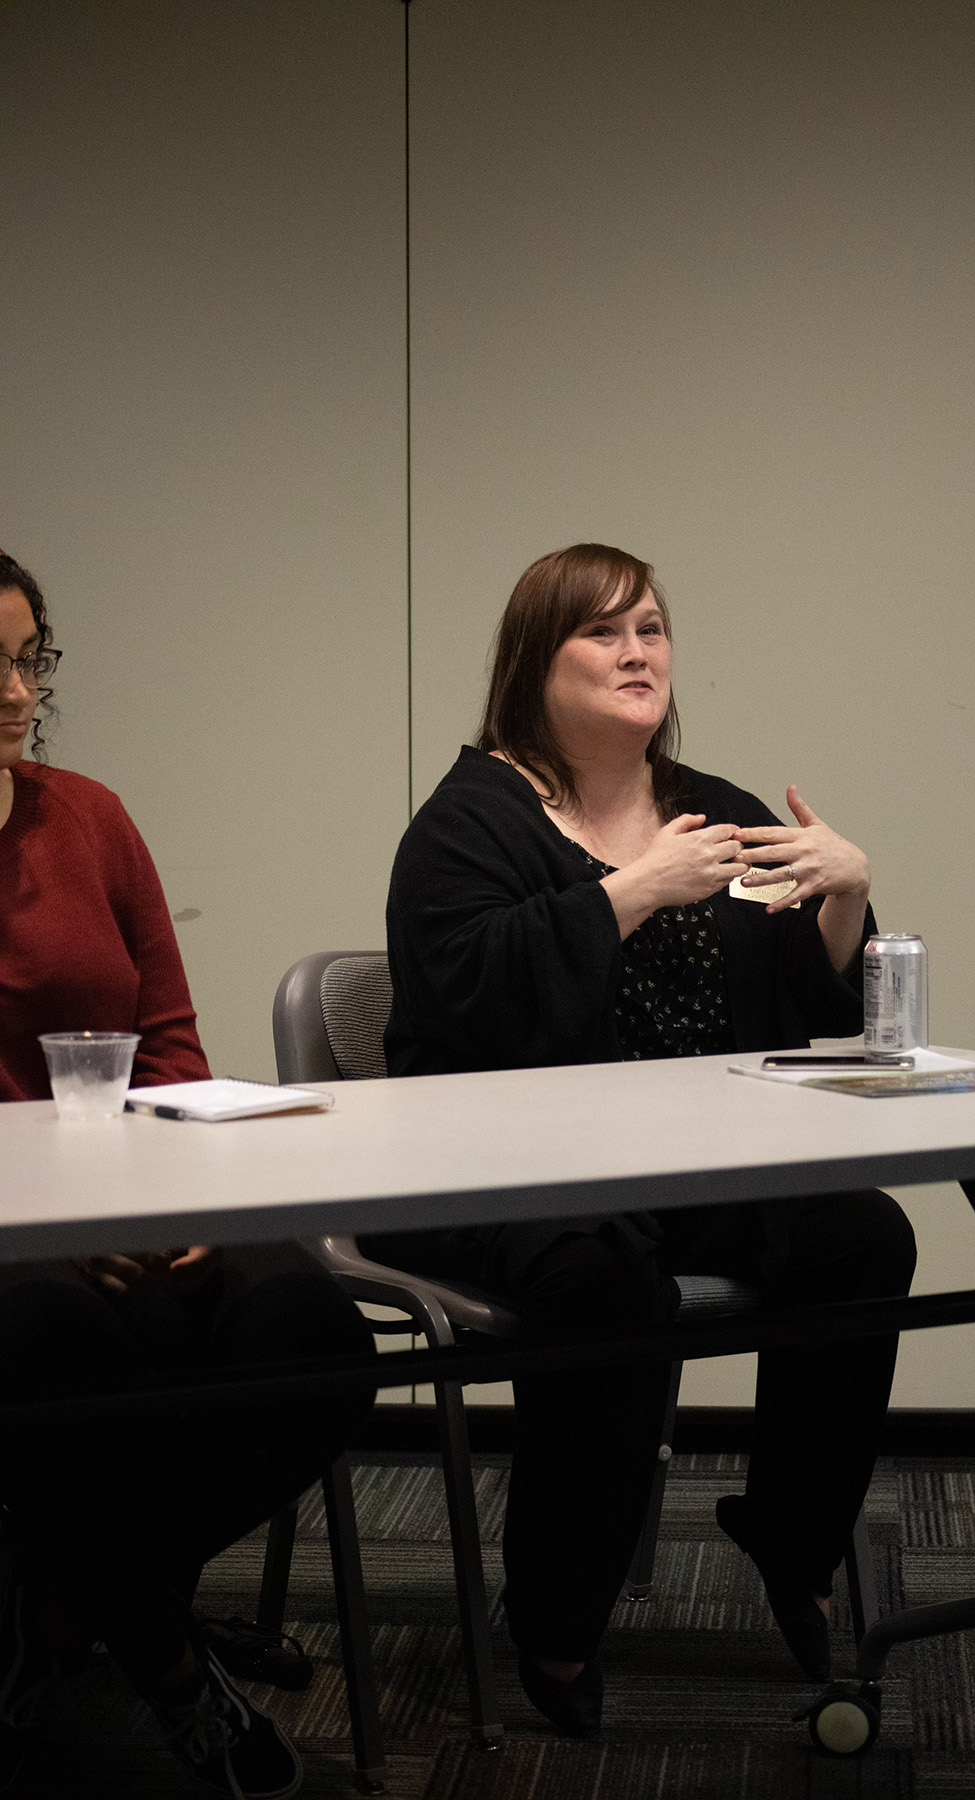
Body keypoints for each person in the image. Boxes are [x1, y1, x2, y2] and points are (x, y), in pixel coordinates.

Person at [368, 542, 918, 1737]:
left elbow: (816, 1011)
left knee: (860, 1236)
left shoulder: (711, 810)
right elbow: (462, 1002)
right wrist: (630, 893)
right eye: (604, 634)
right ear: (535, 664)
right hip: (498, 1170)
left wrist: (844, 899)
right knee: (606, 1282)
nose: (638, 655)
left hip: (683, 1163)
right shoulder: (469, 823)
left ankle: (790, 1535)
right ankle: (557, 1623)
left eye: (653, 630)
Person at [0, 549, 377, 1799]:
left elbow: (167, 1039)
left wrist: (190, 1203)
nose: (15, 693)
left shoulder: (89, 814)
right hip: (12, 1231)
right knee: (66, 1338)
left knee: (313, 1327)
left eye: (28, 659)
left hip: (136, 1186)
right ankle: (164, 1662)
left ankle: (71, 1604)